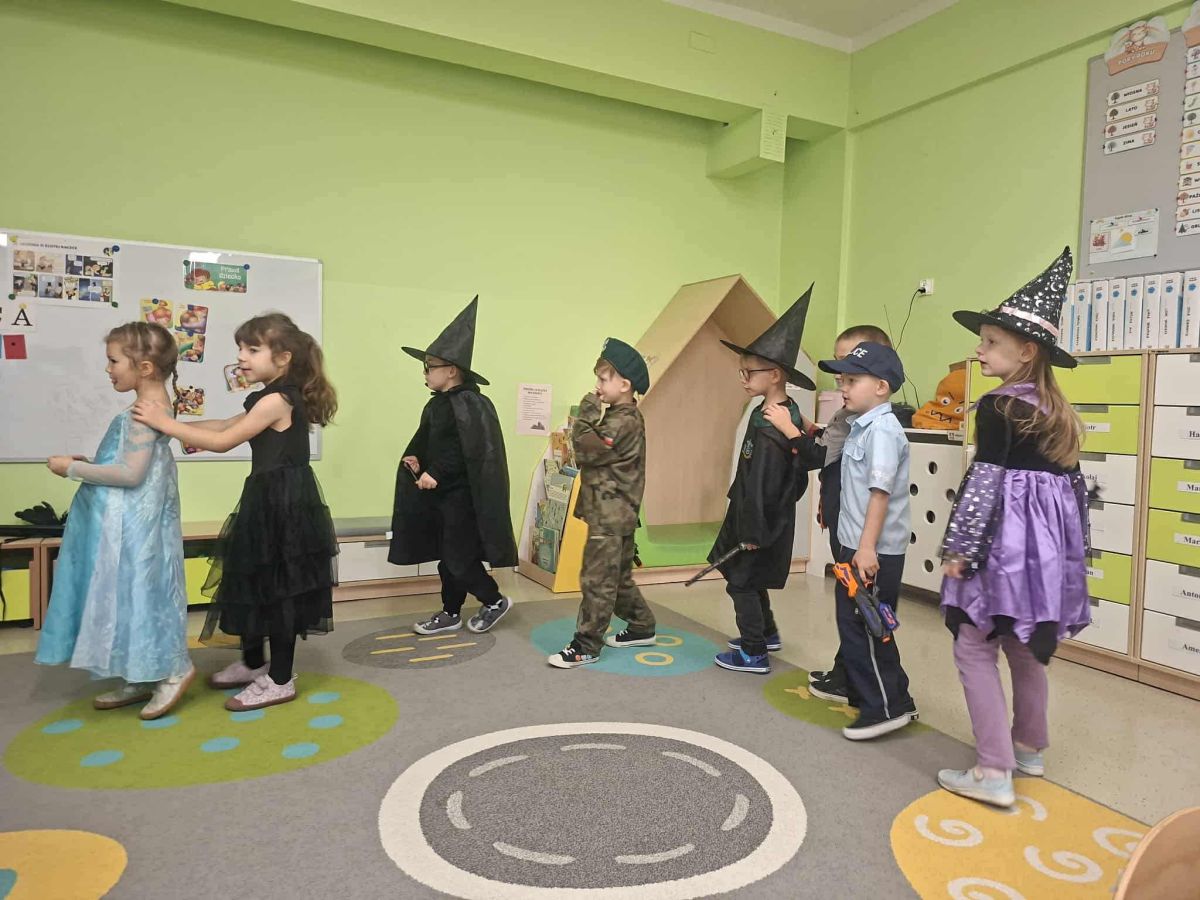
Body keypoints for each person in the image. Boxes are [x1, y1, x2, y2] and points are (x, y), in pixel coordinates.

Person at [937, 246, 1090, 807]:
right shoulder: (1056, 413)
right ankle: (1028, 748)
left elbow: (984, 483)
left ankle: (993, 770)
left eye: (990, 342)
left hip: (998, 550)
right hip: (1041, 561)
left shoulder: (998, 407)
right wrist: (1073, 564)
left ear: (1027, 352)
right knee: (1023, 646)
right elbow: (1073, 498)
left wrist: (959, 549)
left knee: (974, 647)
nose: (979, 351)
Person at [134, 313, 338, 711]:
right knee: (251, 577)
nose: (241, 356)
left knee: (279, 591)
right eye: (241, 348)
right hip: (266, 497)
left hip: (284, 503)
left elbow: (224, 441)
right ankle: (253, 662)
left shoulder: (278, 400)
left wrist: (165, 425)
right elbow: (226, 424)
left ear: (283, 358)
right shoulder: (267, 396)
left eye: (252, 349)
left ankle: (280, 679)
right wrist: (174, 424)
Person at [37, 321, 193, 720]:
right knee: (130, 594)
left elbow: (130, 474)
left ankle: (173, 670)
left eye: (113, 361)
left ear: (144, 367)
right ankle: (142, 669)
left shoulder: (144, 413)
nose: (108, 369)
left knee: (144, 593)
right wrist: (93, 463)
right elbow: (128, 463)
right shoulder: (150, 406)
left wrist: (72, 469)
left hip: (136, 524)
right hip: (131, 522)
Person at [765, 324, 893, 703]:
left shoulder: (867, 423)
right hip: (841, 516)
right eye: (839, 367)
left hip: (855, 526)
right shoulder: (848, 413)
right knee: (849, 603)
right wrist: (808, 427)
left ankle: (859, 682)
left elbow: (819, 455)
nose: (840, 375)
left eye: (850, 368)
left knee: (857, 604)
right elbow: (827, 439)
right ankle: (845, 672)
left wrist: (790, 430)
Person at [389, 297, 517, 635]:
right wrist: (419, 460)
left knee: (458, 557)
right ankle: (450, 612)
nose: (425, 373)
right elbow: (436, 443)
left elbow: (466, 450)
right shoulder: (438, 406)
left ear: (451, 370)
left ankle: (494, 600)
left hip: (463, 497)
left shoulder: (470, 403)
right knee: (448, 559)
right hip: (443, 497)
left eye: (430, 366)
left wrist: (437, 472)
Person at [710, 286, 819, 675]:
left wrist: (753, 529)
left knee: (741, 582)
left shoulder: (775, 425)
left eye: (749, 372)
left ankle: (754, 651)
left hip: (758, 519)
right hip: (750, 512)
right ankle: (767, 632)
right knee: (748, 577)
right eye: (741, 371)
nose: (743, 378)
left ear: (774, 374)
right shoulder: (774, 411)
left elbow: (766, 484)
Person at [817, 341, 918, 739]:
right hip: (855, 544)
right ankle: (897, 697)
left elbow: (880, 493)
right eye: (842, 380)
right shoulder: (861, 426)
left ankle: (883, 709)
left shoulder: (882, 432)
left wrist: (865, 548)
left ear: (881, 386)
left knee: (866, 628)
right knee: (864, 625)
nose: (843, 388)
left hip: (870, 550)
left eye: (852, 381)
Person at [549, 338, 656, 668]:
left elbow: (585, 449)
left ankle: (586, 645)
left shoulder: (622, 420)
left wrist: (586, 411)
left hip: (611, 516)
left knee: (597, 580)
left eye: (603, 378)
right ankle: (641, 626)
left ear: (625, 385)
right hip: (615, 513)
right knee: (618, 578)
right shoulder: (620, 416)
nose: (597, 385)